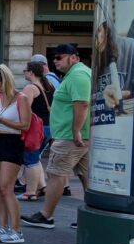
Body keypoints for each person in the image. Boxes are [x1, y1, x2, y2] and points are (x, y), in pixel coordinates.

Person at [25, 43, 89, 230]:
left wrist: (76, 130)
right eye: (54, 58)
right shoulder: (76, 74)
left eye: (59, 57)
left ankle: (46, 216)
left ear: (73, 57)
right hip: (75, 136)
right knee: (86, 176)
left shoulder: (78, 75)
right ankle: (90, 215)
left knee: (55, 174)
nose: (55, 61)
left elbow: (82, 104)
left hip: (70, 137)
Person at [0, 64, 31, 244]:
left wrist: (0, 119)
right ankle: (3, 225)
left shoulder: (22, 98)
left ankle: (17, 230)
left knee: (6, 187)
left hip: (12, 142)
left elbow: (25, 125)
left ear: (7, 82)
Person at [18, 61, 53, 201]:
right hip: (48, 126)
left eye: (25, 70)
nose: (24, 72)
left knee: (30, 159)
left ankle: (30, 192)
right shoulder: (47, 86)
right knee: (36, 158)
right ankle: (42, 186)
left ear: (31, 72)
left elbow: (25, 109)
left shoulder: (30, 88)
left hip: (36, 128)